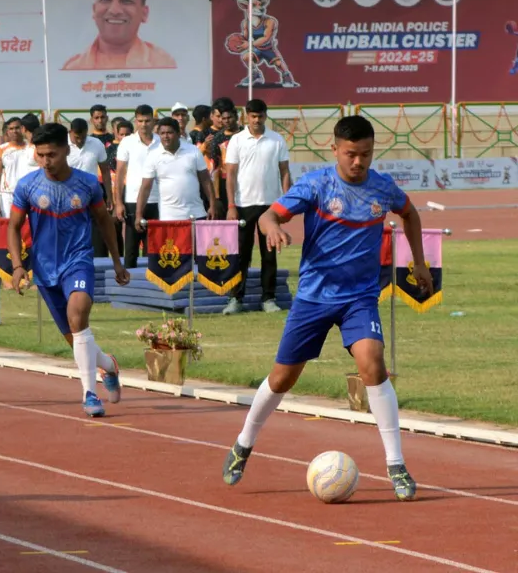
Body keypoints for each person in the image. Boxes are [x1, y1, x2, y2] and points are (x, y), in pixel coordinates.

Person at [221, 115, 430, 502]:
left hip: (359, 298)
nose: (358, 162)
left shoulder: (382, 188)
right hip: (314, 298)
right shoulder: (316, 185)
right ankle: (243, 443)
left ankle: (396, 464)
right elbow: (269, 214)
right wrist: (272, 229)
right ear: (334, 149)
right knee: (282, 379)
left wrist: (417, 262)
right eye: (351, 154)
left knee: (373, 362)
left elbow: (411, 213)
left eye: (366, 154)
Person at [8, 122, 130, 417]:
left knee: (78, 315)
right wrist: (16, 266)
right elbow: (12, 227)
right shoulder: (27, 185)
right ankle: (107, 365)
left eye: (51, 154)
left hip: (78, 261)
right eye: (40, 155)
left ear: (66, 150)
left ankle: (90, 395)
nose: (46, 161)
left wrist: (117, 261)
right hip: (44, 268)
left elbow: (104, 221)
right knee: (76, 337)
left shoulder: (88, 184)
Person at [222, 98, 291, 315]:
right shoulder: (237, 140)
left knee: (269, 254)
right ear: (246, 116)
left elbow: (285, 172)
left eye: (260, 116)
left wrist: (287, 202)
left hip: (270, 207)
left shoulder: (276, 139)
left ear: (265, 116)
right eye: (253, 116)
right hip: (243, 205)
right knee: (241, 254)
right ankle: (235, 298)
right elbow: (230, 175)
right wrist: (231, 205)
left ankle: (268, 298)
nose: (257, 120)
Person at [61, 0, 177, 71]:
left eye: (126, 1)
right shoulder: (73, 68)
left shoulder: (163, 64)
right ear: (94, 10)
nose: (114, 10)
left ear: (144, 13)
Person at [133, 118, 217, 229]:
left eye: (169, 132)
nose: (165, 136)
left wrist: (212, 205)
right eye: (162, 133)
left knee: (196, 247)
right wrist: (138, 215)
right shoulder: (153, 155)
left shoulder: (193, 151)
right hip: (168, 217)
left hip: (196, 213)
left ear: (178, 134)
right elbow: (145, 188)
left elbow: (205, 180)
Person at [114, 105, 160, 268]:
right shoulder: (127, 142)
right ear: (136, 121)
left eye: (147, 120)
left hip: (159, 200)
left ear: (153, 121)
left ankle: (153, 288)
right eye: (140, 121)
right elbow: (119, 175)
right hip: (132, 199)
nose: (144, 124)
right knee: (131, 249)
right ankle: (129, 288)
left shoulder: (161, 141)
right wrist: (118, 202)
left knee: (154, 248)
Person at [0, 117, 27, 214]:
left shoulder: (31, 147)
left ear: (23, 129)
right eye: (11, 129)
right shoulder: (1, 150)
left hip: (27, 193)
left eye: (17, 128)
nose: (14, 131)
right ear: (7, 131)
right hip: (8, 195)